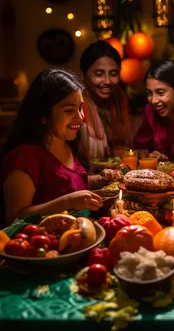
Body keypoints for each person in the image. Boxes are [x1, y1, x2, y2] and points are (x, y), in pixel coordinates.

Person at [0, 69, 120, 226]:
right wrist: (68, 201)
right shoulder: (25, 157)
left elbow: (66, 183)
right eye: (69, 110)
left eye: (81, 108)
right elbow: (15, 218)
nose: (80, 117)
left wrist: (100, 180)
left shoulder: (69, 145)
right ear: (43, 115)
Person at [133, 59, 174, 163]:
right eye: (149, 93)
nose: (153, 100)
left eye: (160, 92)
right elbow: (140, 148)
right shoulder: (150, 112)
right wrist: (150, 155)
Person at [80, 40, 131, 160]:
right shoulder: (74, 105)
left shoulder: (119, 99)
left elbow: (124, 149)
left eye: (113, 74)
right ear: (84, 74)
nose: (107, 81)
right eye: (99, 74)